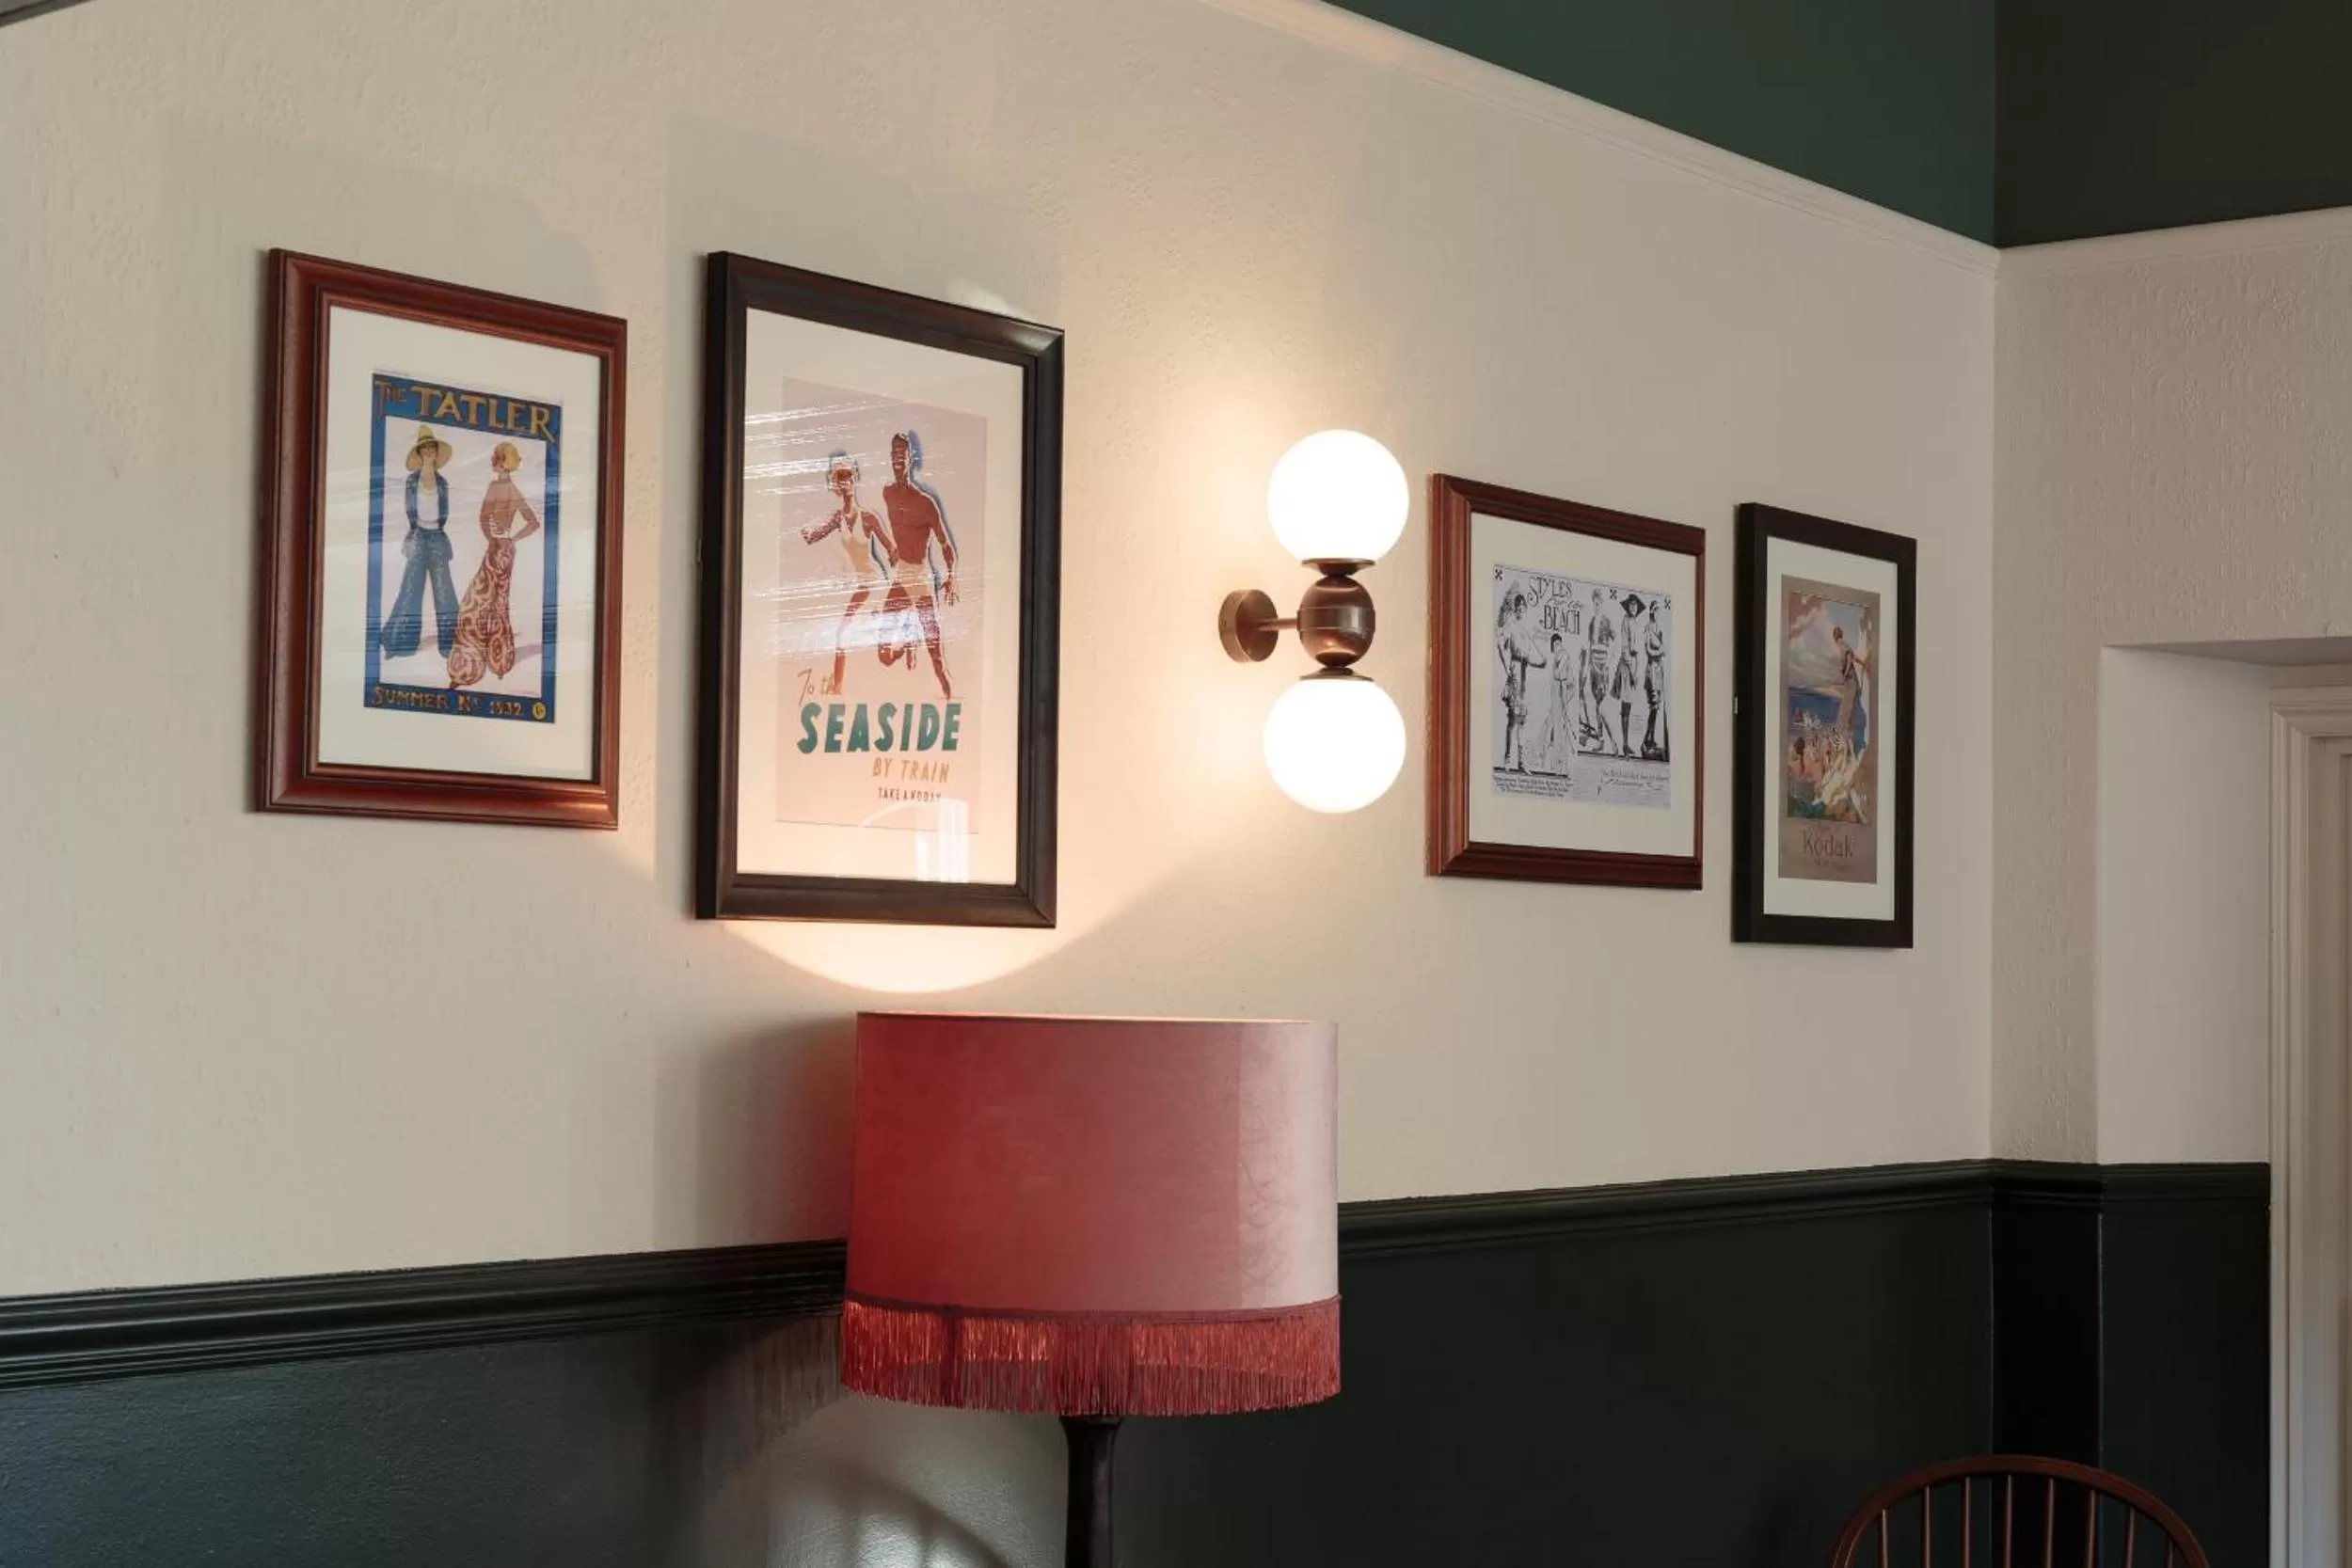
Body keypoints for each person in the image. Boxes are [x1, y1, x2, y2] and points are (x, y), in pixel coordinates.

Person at [796, 451, 895, 696]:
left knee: (846, 635)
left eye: (849, 475)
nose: (846, 481)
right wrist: (796, 520)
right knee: (850, 638)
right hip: (862, 585)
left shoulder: (868, 517)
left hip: (875, 583)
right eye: (840, 477)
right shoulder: (837, 518)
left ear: (855, 478)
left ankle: (839, 687)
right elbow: (811, 537)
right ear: (836, 483)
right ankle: (838, 688)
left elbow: (891, 548)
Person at [447, 441, 543, 689]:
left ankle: (467, 669)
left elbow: (483, 517)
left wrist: (493, 538)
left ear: (500, 463)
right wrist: (512, 539)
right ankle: (500, 663)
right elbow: (533, 522)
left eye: (497, 460)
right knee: (498, 604)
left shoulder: (496, 487)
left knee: (474, 603)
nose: (495, 464)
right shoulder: (513, 489)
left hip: (497, 550)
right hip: (507, 551)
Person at [878, 431, 959, 700]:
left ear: (911, 457)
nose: (897, 459)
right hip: (902, 574)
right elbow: (896, 529)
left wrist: (951, 577)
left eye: (902, 454)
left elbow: (945, 544)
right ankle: (907, 643)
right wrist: (893, 550)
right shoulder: (887, 494)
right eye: (894, 454)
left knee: (937, 659)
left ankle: (948, 694)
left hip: (921, 578)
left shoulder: (925, 503)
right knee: (884, 655)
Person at [380, 424, 459, 660]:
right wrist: (416, 532)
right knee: (411, 590)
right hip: (418, 535)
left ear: (436, 452)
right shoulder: (411, 481)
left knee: (444, 592)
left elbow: (444, 512)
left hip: (437, 536)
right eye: (424, 448)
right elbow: (410, 510)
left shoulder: (442, 483)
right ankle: (399, 643)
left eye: (432, 448)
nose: (428, 451)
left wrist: (434, 531)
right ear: (419, 453)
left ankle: (449, 645)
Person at [1494, 591, 1547, 771]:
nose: (1520, 611)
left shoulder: (1526, 629)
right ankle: (1507, 760)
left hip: (1525, 676)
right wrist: (1506, 667)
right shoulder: (1511, 626)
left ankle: (1521, 763)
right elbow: (1500, 645)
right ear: (1515, 610)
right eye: (1518, 608)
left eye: (1523, 608)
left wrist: (1540, 664)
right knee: (1512, 720)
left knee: (1522, 721)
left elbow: (1529, 658)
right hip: (1515, 673)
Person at [1611, 594, 1647, 757]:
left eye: (1635, 605)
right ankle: (1624, 745)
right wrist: (1632, 672)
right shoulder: (1626, 621)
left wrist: (1637, 670)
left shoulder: (1635, 622)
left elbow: (1637, 649)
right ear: (1628, 607)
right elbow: (1625, 648)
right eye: (1631, 605)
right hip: (1626, 668)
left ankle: (1626, 744)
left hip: (1633, 665)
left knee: (1629, 707)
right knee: (1625, 708)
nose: (1633, 608)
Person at [1582, 588, 1618, 753]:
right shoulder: (1591, 622)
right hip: (1593, 664)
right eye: (1594, 603)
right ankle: (1602, 740)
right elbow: (1590, 645)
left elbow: (1615, 640)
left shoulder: (1607, 621)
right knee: (1596, 703)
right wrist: (1588, 665)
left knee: (1602, 705)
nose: (1596, 606)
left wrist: (1610, 660)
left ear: (1602, 604)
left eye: (1599, 603)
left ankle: (1612, 741)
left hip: (1603, 664)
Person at [1640, 608, 1667, 760]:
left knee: (1657, 707)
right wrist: (1660, 652)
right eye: (1655, 611)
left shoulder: (1660, 629)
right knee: (1653, 706)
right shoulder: (1647, 629)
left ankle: (1650, 738)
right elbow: (1649, 651)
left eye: (1658, 612)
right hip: (1651, 670)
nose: (1657, 614)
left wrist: (1662, 652)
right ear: (1651, 612)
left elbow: (1664, 650)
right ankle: (1646, 739)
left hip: (1659, 671)